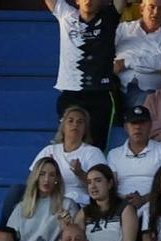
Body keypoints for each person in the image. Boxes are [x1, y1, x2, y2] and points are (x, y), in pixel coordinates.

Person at [48, 0, 119, 150]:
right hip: (70, 92)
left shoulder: (109, 17)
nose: (88, 1)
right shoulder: (66, 15)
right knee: (67, 144)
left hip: (100, 93)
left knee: (96, 147)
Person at [32, 105, 108, 210]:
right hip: (50, 199)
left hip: (77, 203)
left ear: (85, 129)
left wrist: (80, 173)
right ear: (63, 127)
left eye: (80, 122)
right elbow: (32, 180)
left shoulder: (93, 152)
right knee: (16, 191)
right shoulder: (49, 150)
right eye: (70, 121)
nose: (75, 124)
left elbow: (103, 189)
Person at [78, 164, 142, 241]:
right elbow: (76, 240)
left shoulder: (125, 208)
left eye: (98, 180)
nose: (93, 186)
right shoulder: (84, 212)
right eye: (89, 182)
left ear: (110, 183)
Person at [6, 159, 69, 241]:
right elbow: (10, 236)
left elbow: (73, 239)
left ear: (57, 179)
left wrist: (66, 226)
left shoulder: (67, 204)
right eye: (42, 174)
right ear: (35, 178)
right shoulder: (22, 207)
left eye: (52, 175)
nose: (46, 180)